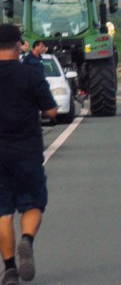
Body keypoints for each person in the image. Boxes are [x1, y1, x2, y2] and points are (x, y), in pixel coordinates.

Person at [0, 24, 58, 284]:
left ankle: (10, 268)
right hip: (26, 151)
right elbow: (52, 112)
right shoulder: (31, 74)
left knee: (3, 211)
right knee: (32, 204)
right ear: (17, 45)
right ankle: (27, 240)